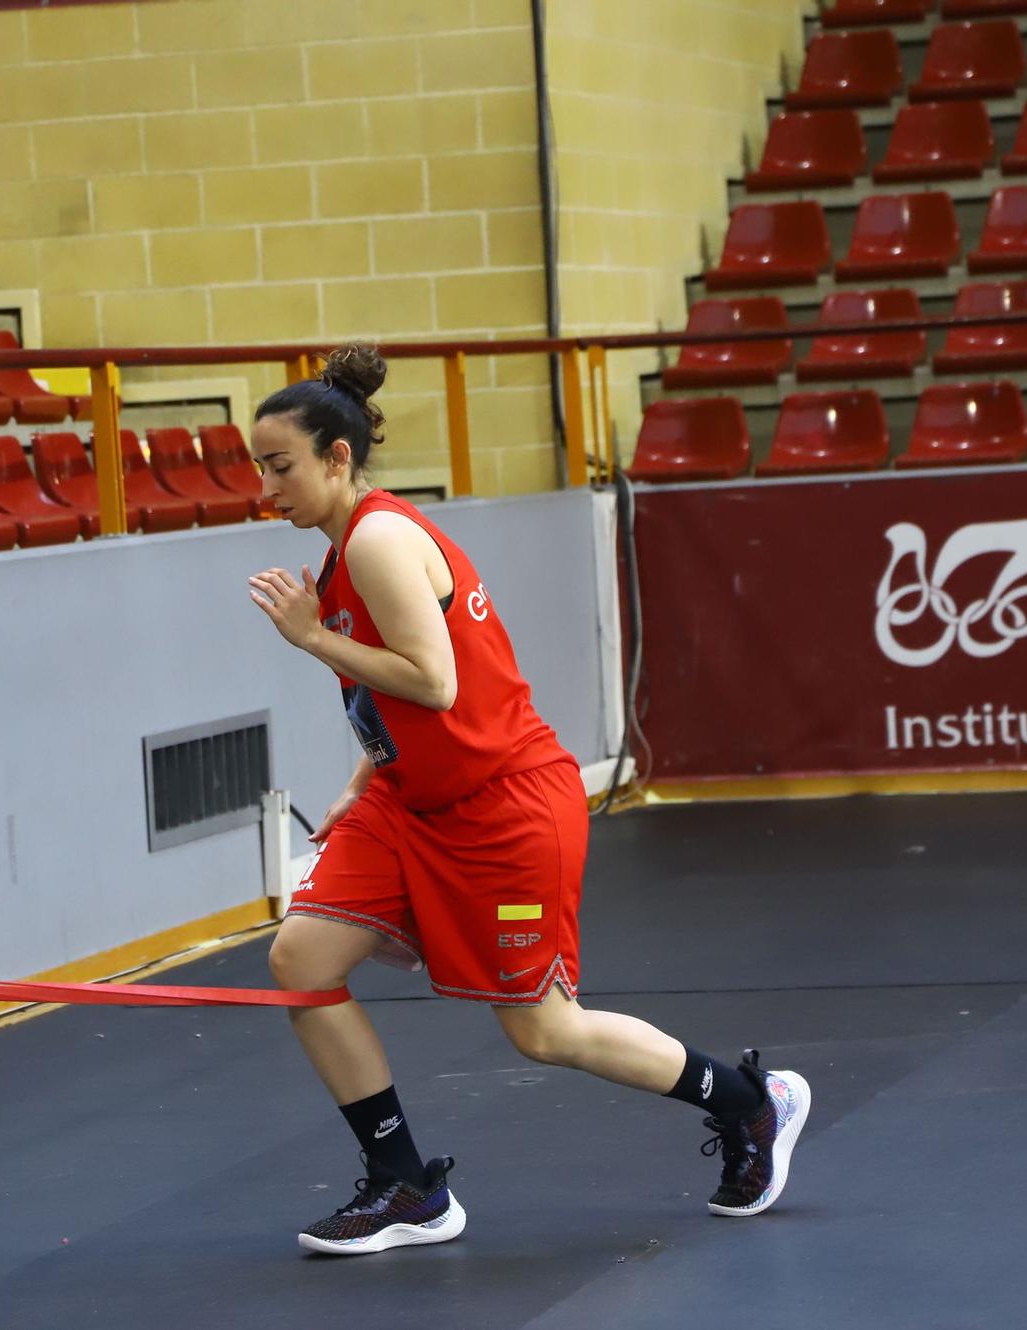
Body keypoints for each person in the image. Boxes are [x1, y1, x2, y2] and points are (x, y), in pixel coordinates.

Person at [246, 343, 809, 1257]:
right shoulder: (344, 549)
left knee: (545, 1033)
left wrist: (312, 638)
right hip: (409, 802)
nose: (267, 487)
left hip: (505, 810)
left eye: (281, 466)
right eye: (260, 468)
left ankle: (754, 1104)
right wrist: (362, 783)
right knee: (302, 960)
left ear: (337, 458)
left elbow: (430, 682)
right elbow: (396, 703)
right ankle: (405, 1188)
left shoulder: (381, 541)